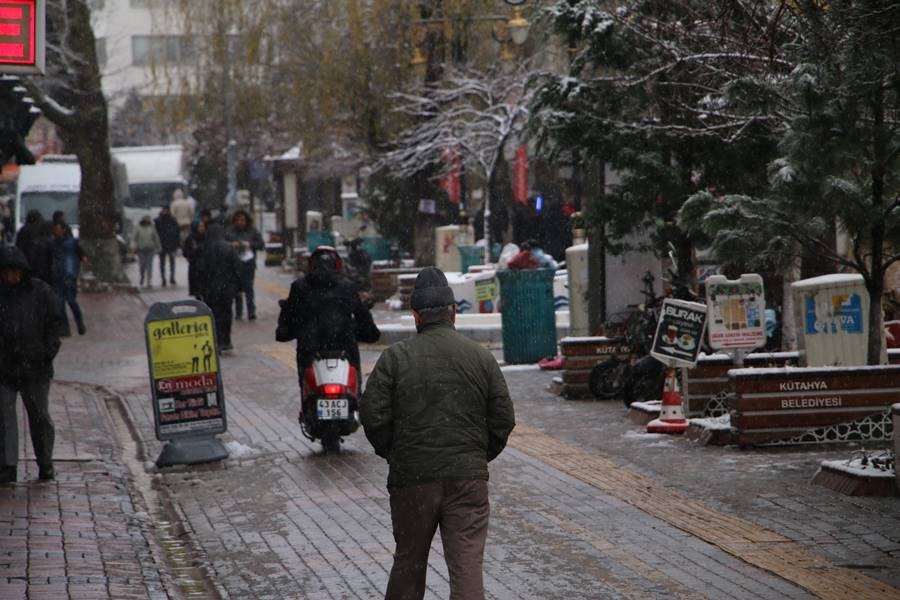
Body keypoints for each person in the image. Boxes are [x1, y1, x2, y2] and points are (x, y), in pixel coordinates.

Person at [360, 267, 515, 600]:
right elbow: (503, 418)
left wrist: (395, 451)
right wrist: (476, 453)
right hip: (468, 480)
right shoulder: (481, 358)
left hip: (413, 479)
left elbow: (372, 415)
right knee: (467, 567)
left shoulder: (395, 359)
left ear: (416, 316)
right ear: (453, 312)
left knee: (409, 563)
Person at [0, 246, 65, 483]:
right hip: (5, 367)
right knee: (4, 418)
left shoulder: (40, 291)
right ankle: (7, 465)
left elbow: (55, 323)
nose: (11, 277)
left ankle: (45, 462)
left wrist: (47, 352)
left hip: (35, 367)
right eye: (7, 272)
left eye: (15, 272)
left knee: (39, 417)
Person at [276, 246, 380, 378]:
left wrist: (287, 331)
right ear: (337, 265)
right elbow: (362, 316)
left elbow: (288, 318)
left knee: (307, 384)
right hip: (344, 347)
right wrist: (369, 333)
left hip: (309, 349)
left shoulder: (299, 287)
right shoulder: (347, 287)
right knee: (353, 385)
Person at [196, 223, 241, 352]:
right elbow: (237, 268)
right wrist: (238, 286)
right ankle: (226, 340)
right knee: (226, 312)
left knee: (213, 314)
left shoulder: (204, 249)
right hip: (227, 287)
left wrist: (199, 288)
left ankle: (215, 340)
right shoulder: (229, 248)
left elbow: (199, 270)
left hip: (210, 288)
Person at [49, 219, 86, 336]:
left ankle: (80, 323)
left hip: (69, 277)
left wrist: (81, 261)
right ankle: (65, 329)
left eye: (58, 229)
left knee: (71, 301)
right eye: (55, 229)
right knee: (60, 304)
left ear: (63, 230)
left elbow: (81, 255)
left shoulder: (72, 242)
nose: (56, 231)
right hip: (58, 277)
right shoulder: (52, 243)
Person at [225, 209, 264, 320]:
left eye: (243, 220)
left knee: (248, 288)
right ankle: (238, 312)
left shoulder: (252, 231)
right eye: (238, 220)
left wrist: (249, 244)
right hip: (234, 264)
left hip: (248, 264)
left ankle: (251, 312)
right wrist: (232, 245)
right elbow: (224, 243)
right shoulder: (230, 231)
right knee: (236, 290)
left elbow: (261, 244)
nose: (240, 222)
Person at [14, 210, 52, 283]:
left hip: (28, 263)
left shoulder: (23, 230)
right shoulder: (45, 228)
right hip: (43, 265)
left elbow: (19, 247)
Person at [183, 209, 212, 299]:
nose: (202, 228)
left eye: (203, 226)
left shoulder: (207, 237)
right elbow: (186, 252)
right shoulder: (190, 238)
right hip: (195, 267)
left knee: (206, 289)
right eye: (200, 227)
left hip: (206, 266)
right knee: (197, 290)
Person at [154, 206, 180, 286]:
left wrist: (177, 244)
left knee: (171, 261)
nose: (165, 212)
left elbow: (177, 232)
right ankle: (163, 278)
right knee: (162, 262)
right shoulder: (158, 220)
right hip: (162, 244)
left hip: (171, 244)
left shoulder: (172, 220)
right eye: (164, 210)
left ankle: (171, 277)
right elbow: (155, 234)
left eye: (166, 210)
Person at [133, 215, 162, 287]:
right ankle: (142, 276)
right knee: (142, 265)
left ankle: (149, 280)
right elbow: (134, 237)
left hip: (150, 248)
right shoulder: (138, 227)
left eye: (148, 219)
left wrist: (159, 247)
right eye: (146, 219)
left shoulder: (152, 227)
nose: (147, 221)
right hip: (141, 249)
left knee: (149, 265)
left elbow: (156, 237)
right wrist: (133, 246)